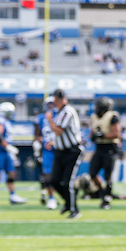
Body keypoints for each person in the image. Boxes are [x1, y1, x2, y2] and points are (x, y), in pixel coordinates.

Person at [46, 88, 82, 220]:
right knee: (54, 181)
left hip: (71, 151)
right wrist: (52, 141)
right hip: (60, 151)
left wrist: (49, 121)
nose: (55, 103)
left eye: (56, 100)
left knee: (68, 182)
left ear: (62, 99)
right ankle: (68, 202)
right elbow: (58, 134)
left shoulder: (68, 111)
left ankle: (74, 209)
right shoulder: (60, 112)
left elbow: (59, 130)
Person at [0, 102, 26, 207]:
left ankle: (13, 195)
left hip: (6, 152)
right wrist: (7, 146)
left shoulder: (6, 121)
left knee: (11, 173)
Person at [87, 97, 121, 210]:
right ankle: (102, 193)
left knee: (108, 176)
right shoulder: (93, 117)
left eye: (97, 106)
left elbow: (116, 134)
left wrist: (103, 135)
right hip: (99, 148)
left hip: (110, 148)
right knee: (92, 173)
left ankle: (107, 198)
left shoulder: (112, 117)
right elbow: (92, 133)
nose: (95, 108)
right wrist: (93, 137)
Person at [32, 96, 58, 209]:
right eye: (49, 104)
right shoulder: (40, 118)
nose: (51, 106)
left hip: (61, 148)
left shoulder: (61, 116)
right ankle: (50, 197)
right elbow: (37, 135)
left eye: (53, 104)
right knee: (47, 174)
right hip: (47, 150)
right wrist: (37, 144)